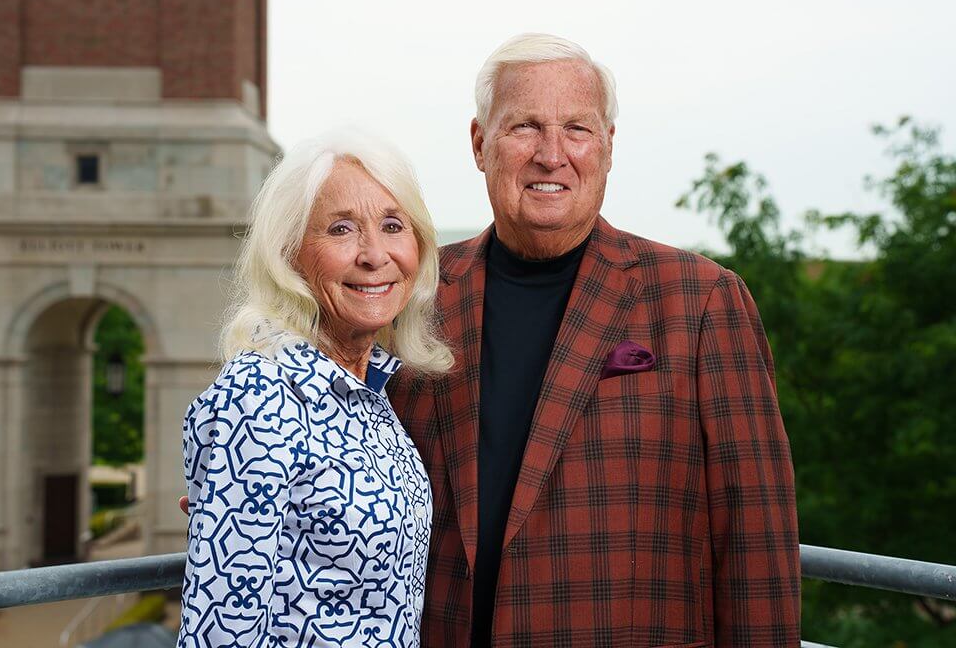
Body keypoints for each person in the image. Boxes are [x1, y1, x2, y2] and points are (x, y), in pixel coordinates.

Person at [387, 33, 800, 647]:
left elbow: (755, 537)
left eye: (576, 129)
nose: (552, 155)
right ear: (479, 144)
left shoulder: (703, 300)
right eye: (524, 126)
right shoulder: (411, 295)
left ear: (608, 147)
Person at [177, 129, 454, 647]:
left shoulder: (367, 391)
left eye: (393, 226)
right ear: (290, 253)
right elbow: (220, 630)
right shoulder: (259, 397)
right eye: (341, 229)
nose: (374, 255)